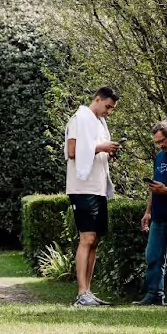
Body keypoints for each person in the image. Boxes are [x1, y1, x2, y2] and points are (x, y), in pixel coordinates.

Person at [64, 85, 120, 307]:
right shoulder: (79, 119)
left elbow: (95, 149)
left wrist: (108, 150)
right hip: (82, 187)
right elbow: (72, 151)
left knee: (95, 239)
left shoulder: (100, 123)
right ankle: (81, 292)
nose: (109, 111)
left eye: (112, 108)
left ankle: (88, 290)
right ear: (97, 99)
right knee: (86, 238)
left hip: (98, 188)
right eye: (108, 106)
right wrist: (100, 147)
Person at [135, 121, 167, 307]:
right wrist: (147, 211)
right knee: (153, 256)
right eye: (156, 142)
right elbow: (154, 187)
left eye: (161, 141)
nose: (159, 146)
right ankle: (154, 294)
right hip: (158, 215)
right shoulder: (159, 156)